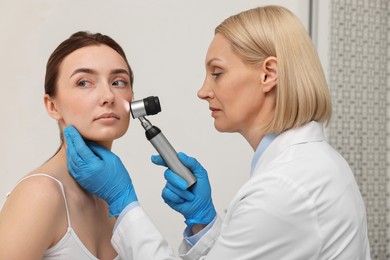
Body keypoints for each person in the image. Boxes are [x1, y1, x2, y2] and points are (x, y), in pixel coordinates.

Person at [64, 5, 371, 260]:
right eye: (84, 83)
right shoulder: (312, 165)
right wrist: (204, 223)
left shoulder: (284, 187)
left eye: (217, 73)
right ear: (51, 104)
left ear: (268, 74)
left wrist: (123, 202)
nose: (203, 91)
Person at [0, 31, 134, 259]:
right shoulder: (41, 194)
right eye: (84, 82)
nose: (108, 96)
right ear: (52, 106)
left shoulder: (112, 196)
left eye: (118, 82)